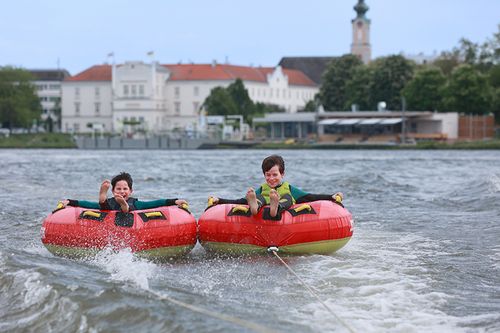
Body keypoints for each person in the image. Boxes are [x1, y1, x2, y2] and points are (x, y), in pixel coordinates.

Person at [209, 155, 343, 218]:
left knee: (286, 197)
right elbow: (240, 201)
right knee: (259, 197)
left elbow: (310, 197)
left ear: (282, 174)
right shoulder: (262, 189)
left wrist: (331, 197)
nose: (271, 179)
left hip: (282, 203)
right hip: (262, 204)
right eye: (268, 175)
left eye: (275, 175)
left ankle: (276, 207)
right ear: (264, 175)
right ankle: (255, 206)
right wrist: (219, 200)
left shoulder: (289, 188)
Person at [60, 172, 187, 212]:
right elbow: (87, 204)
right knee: (102, 206)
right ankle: (102, 197)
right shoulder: (110, 201)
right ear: (113, 190)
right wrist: (69, 202)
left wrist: (175, 201)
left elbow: (156, 203)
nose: (122, 191)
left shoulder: (137, 203)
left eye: (125, 189)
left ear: (131, 191)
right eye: (118, 189)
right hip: (108, 208)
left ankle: (124, 206)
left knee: (127, 209)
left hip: (128, 211)